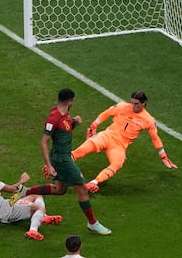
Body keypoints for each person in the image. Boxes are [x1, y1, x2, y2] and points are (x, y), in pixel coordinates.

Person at [10, 88, 111, 235]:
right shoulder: (54, 118)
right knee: (82, 189)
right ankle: (92, 223)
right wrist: (49, 165)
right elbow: (44, 142)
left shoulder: (64, 115)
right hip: (62, 160)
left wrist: (74, 123)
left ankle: (25, 191)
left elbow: (63, 132)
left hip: (63, 157)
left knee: (60, 190)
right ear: (70, 101)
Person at [72, 91, 177, 193]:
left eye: (136, 104)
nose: (133, 106)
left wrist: (163, 155)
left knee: (117, 164)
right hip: (107, 135)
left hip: (119, 146)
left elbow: (155, 138)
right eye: (132, 102)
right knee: (83, 149)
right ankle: (59, 165)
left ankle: (93, 183)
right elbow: (107, 113)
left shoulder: (148, 120)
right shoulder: (122, 106)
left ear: (143, 103)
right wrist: (93, 125)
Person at [0, 153, 62, 241]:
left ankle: (43, 217)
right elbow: (12, 189)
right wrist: (22, 181)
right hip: (5, 211)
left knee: (36, 195)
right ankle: (33, 230)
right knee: (39, 208)